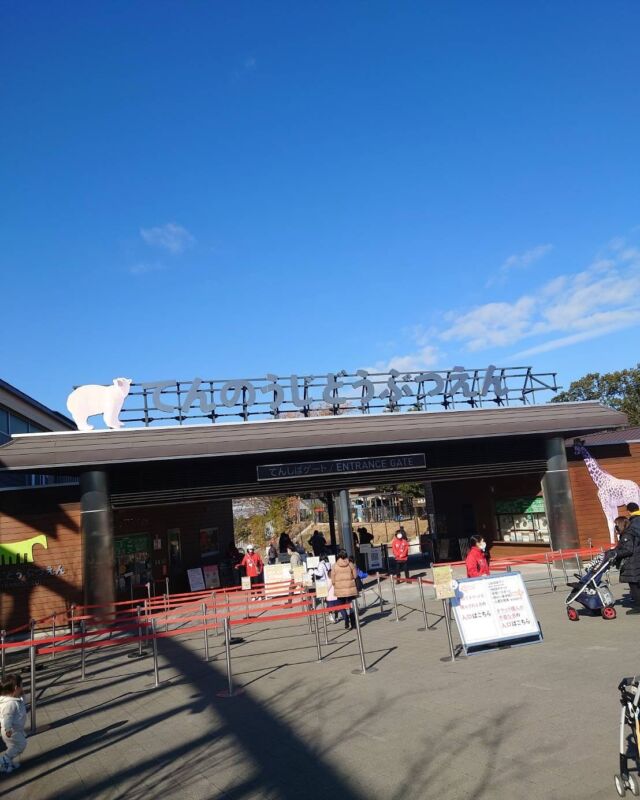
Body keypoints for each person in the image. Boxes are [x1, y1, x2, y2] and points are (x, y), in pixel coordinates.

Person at [0, 673, 27, 773]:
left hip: (14, 729)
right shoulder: (10, 703)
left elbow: (23, 701)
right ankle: (4, 760)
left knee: (12, 747)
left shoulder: (14, 699)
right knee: (21, 745)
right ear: (16, 688)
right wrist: (8, 729)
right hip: (11, 730)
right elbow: (7, 717)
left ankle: (6, 763)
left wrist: (22, 693)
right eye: (22, 685)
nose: (22, 688)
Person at [618, 503, 640, 614]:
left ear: (629, 511)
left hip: (636, 555)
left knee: (634, 581)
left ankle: (638, 606)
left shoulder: (634, 523)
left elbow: (630, 546)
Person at [331, 548, 359, 629]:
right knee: (351, 605)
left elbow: (332, 579)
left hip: (340, 590)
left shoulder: (334, 566)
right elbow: (355, 576)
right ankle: (353, 623)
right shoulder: (350, 564)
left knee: (341, 605)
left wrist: (336, 584)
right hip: (350, 589)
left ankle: (345, 618)